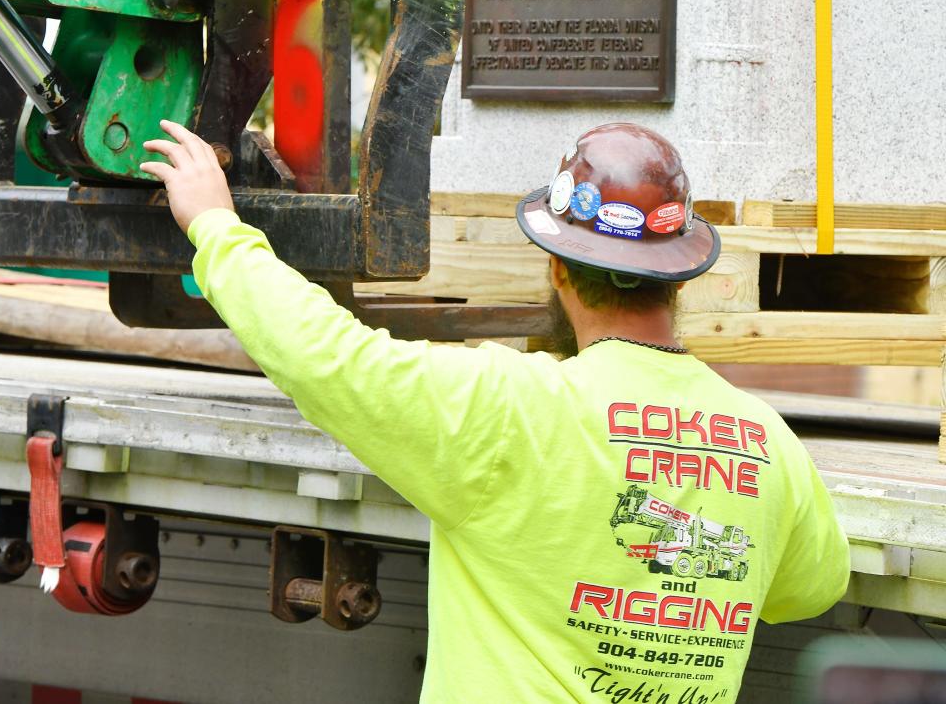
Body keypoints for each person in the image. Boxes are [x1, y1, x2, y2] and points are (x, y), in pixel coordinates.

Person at [142, 117, 850, 704]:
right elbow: (810, 587)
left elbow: (328, 358)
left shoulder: (511, 409)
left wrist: (215, 225)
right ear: (678, 278)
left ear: (558, 266)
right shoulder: (767, 445)